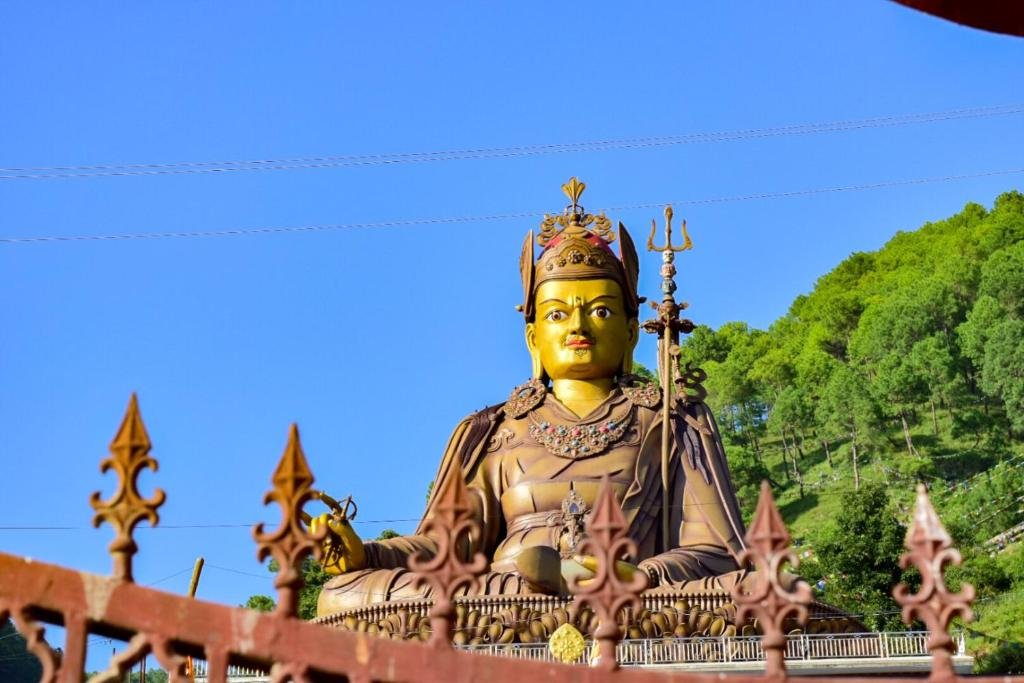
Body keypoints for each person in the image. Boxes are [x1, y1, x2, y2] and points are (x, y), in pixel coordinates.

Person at [314, 179, 749, 617]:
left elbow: (716, 551)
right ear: (533, 337)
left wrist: (641, 576)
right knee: (343, 591)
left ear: (631, 332)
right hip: (505, 594)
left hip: (625, 593)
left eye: (599, 311)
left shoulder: (671, 419)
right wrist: (364, 554)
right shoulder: (491, 431)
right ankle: (551, 585)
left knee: (757, 587)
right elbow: (441, 547)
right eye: (557, 314)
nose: (578, 327)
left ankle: (577, 583)